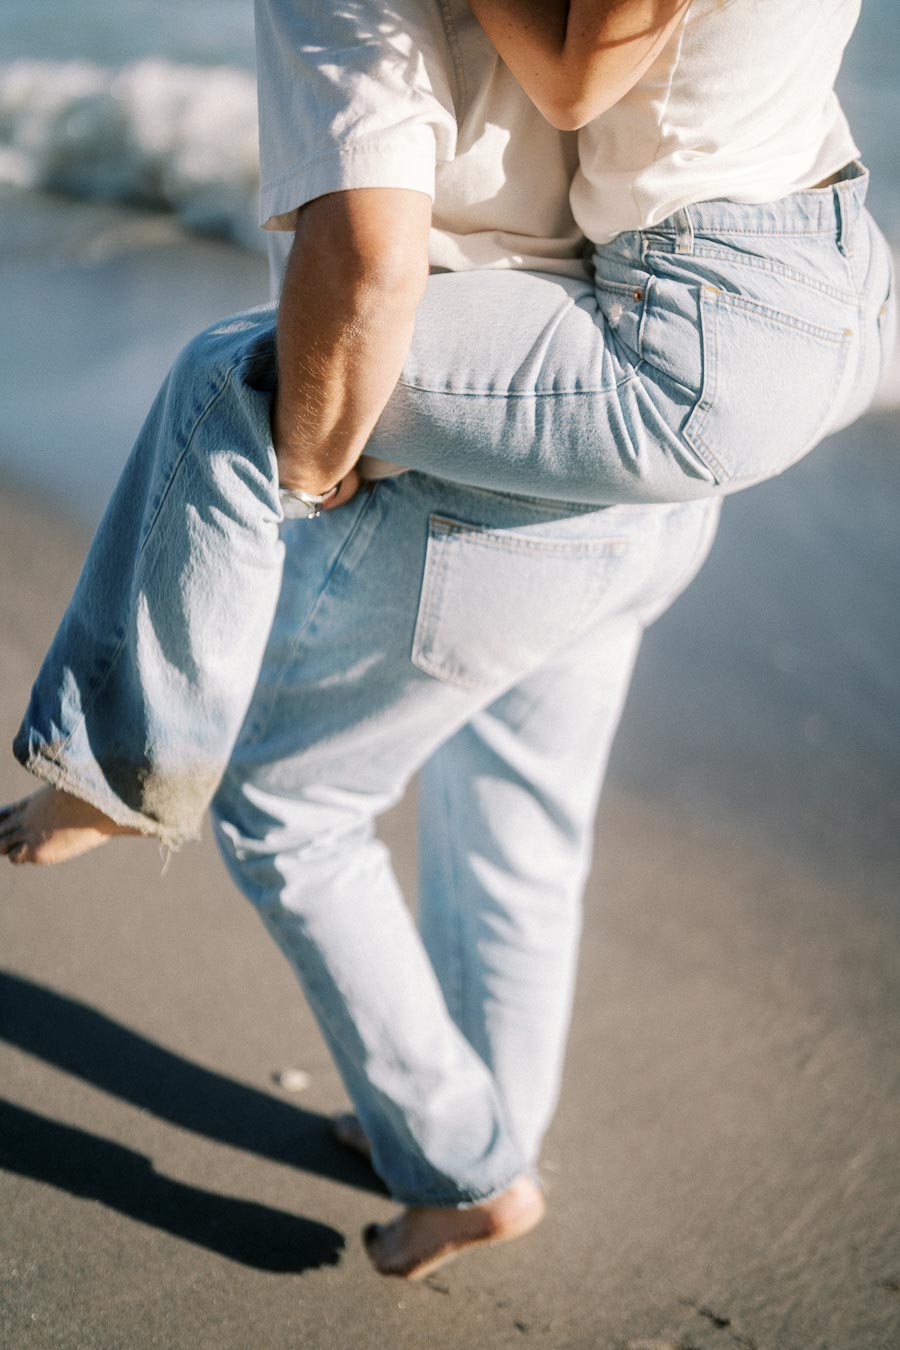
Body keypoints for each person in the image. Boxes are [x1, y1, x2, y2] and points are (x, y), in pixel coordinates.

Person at [2, 0, 893, 1278]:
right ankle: (479, 1124)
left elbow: (368, 270)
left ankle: (120, 768)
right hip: (747, 349)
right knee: (520, 800)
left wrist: (322, 455)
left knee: (284, 783)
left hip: (626, 395)